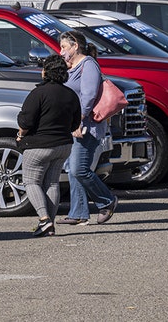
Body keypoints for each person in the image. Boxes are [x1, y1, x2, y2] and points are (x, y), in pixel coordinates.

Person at [56, 29, 119, 226]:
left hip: (87, 126)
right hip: (75, 125)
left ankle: (107, 201)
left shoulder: (88, 65)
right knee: (75, 169)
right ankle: (78, 212)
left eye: (64, 47)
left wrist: (78, 120)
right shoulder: (71, 66)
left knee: (79, 169)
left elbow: (88, 96)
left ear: (75, 46)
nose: (61, 51)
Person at [17, 54, 81, 237]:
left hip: (39, 146)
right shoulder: (70, 94)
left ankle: (44, 219)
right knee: (52, 183)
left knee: (31, 181)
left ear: (46, 72)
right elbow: (75, 124)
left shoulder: (38, 93)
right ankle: (48, 225)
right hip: (63, 146)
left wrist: (21, 134)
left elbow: (26, 121)